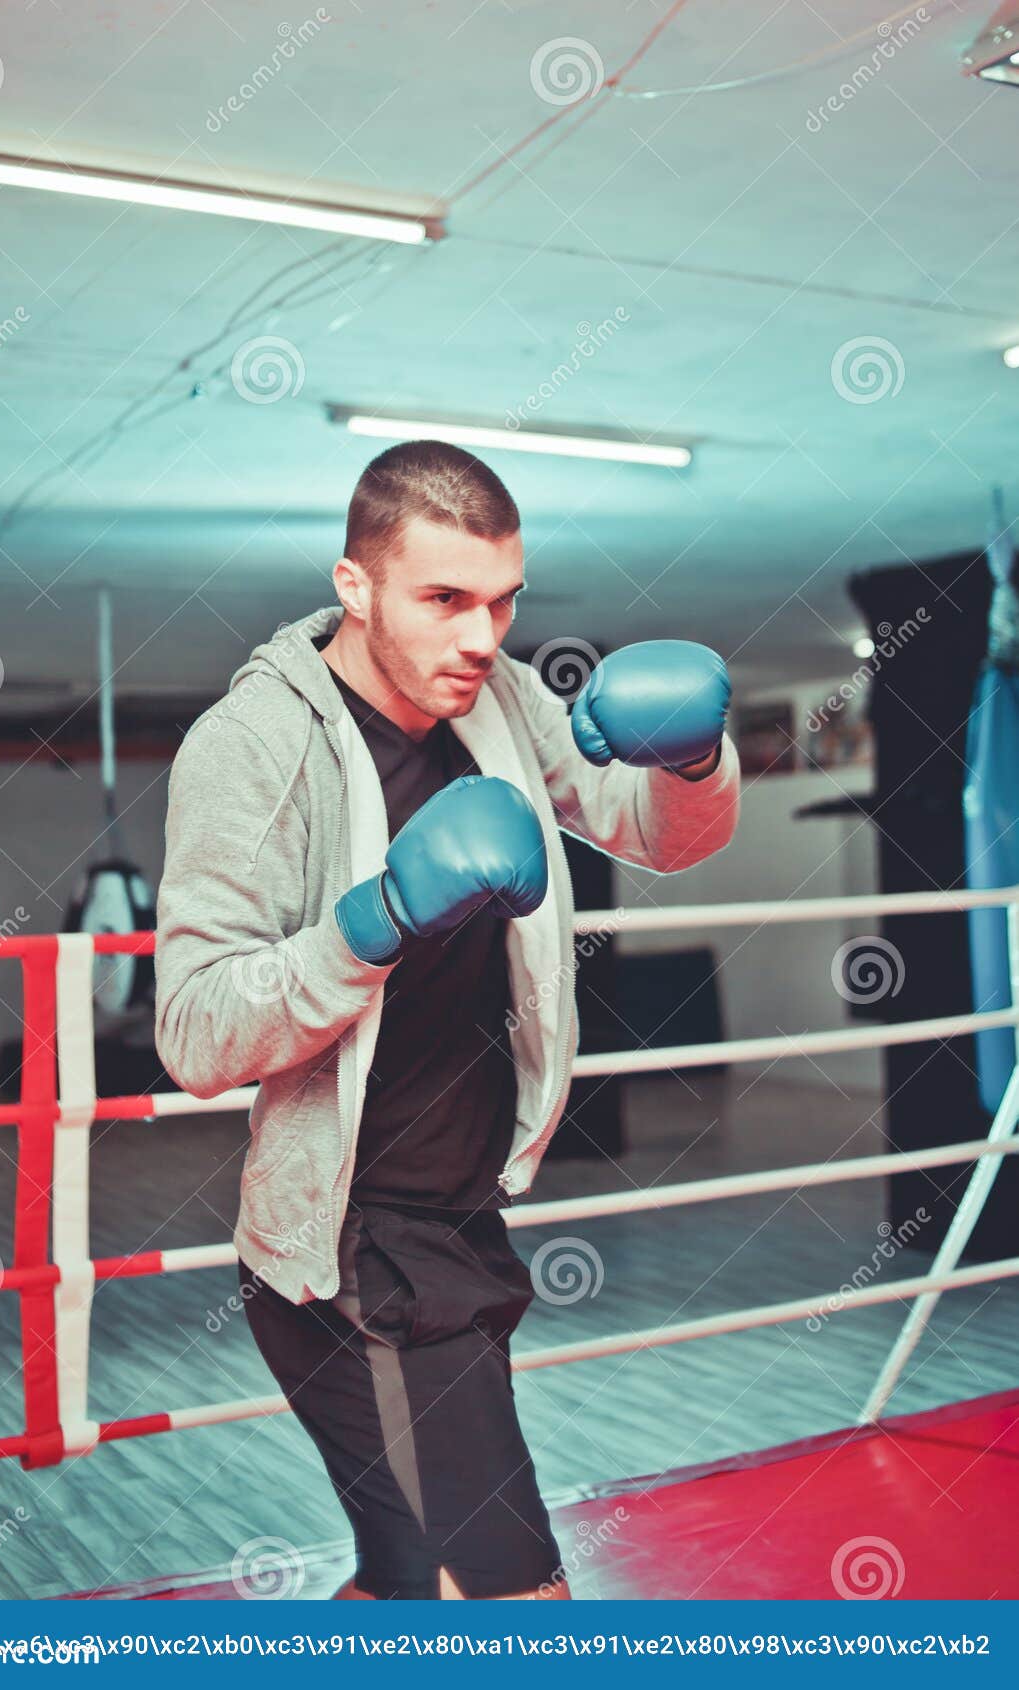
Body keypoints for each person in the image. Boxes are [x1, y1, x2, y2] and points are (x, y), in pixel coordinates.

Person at [155, 440, 740, 1600]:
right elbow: (194, 1031)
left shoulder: (499, 696)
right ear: (354, 585)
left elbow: (658, 834)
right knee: (514, 1609)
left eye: (503, 600)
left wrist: (694, 759)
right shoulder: (255, 746)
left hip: (464, 1221)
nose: (484, 635)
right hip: (353, 1255)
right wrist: (373, 922)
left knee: (407, 1585)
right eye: (445, 600)